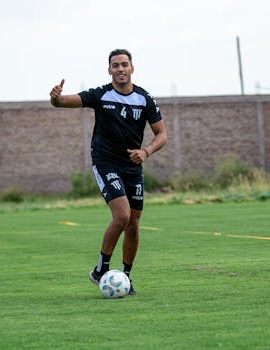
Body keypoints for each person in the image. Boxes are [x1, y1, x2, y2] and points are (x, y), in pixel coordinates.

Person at [49, 49, 167, 295]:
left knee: (134, 222)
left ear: (132, 68)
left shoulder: (145, 99)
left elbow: (162, 135)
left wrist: (145, 152)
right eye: (115, 65)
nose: (120, 69)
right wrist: (56, 98)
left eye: (124, 64)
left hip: (133, 166)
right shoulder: (101, 95)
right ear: (109, 70)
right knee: (122, 215)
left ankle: (126, 276)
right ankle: (101, 269)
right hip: (105, 163)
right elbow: (62, 103)